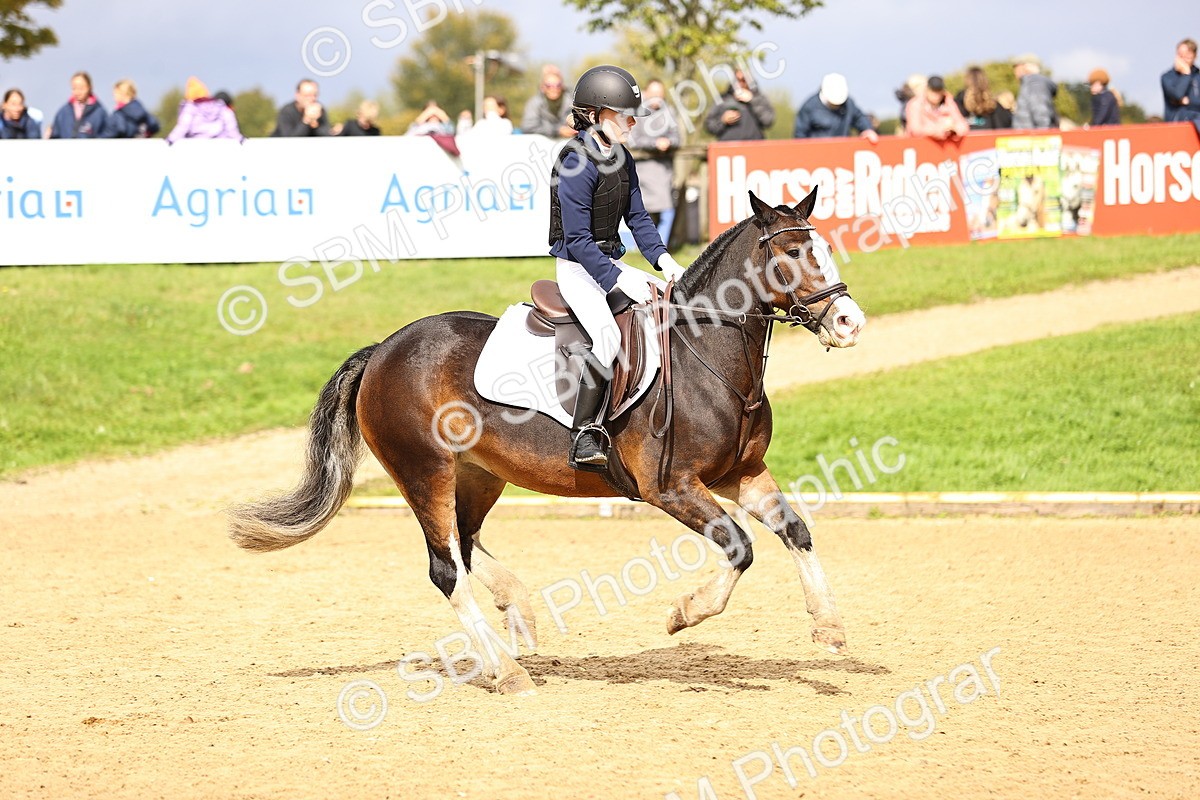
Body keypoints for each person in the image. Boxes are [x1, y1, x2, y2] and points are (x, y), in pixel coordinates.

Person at [548, 65, 686, 471]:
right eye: (623, 114)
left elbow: (640, 220)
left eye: (633, 114)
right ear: (594, 115)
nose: (632, 121)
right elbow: (577, 242)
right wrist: (618, 278)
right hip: (577, 269)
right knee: (608, 337)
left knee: (669, 305)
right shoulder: (575, 162)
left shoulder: (622, 157)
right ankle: (585, 433)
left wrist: (665, 262)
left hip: (608, 262)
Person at [624, 78, 680, 248]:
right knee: (641, 210)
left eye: (660, 95)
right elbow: (633, 139)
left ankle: (660, 245)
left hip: (664, 169)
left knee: (667, 208)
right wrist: (655, 143)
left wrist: (668, 142)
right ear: (646, 94)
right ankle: (640, 246)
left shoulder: (669, 112)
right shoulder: (636, 113)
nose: (657, 98)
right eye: (654, 94)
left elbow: (677, 137)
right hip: (642, 169)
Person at [792, 73, 878, 142]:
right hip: (817, 157)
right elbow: (800, 135)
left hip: (843, 153)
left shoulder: (849, 104)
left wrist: (867, 129)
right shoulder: (809, 107)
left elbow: (859, 118)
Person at [165, 77, 243, 142]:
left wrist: (170, 140)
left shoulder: (190, 108)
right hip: (219, 146)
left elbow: (183, 126)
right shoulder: (221, 107)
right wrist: (240, 139)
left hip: (196, 146)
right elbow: (231, 127)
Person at [705, 69, 774, 141]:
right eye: (737, 80)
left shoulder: (759, 98)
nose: (740, 83)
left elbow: (768, 121)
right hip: (728, 149)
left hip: (754, 148)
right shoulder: (723, 99)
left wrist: (752, 100)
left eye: (744, 80)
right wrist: (722, 120)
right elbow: (709, 126)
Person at [906, 75, 969, 140]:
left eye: (939, 90)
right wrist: (941, 130)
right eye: (933, 90)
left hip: (946, 147)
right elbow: (915, 129)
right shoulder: (916, 104)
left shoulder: (949, 102)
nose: (936, 94)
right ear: (927, 90)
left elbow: (962, 124)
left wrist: (954, 130)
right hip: (920, 146)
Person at [49, 71, 107, 139]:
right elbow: (55, 136)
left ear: (90, 87)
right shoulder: (63, 112)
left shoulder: (99, 113)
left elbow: (105, 136)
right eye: (74, 88)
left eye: (81, 88)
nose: (77, 92)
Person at [522, 65, 574, 138]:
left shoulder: (572, 103)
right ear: (542, 87)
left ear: (562, 86)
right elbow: (528, 128)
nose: (554, 88)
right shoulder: (534, 104)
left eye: (557, 85)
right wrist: (557, 131)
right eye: (549, 85)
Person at [1161, 38, 1200, 130]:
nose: (1183, 57)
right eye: (1180, 54)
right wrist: (1186, 74)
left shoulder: (1198, 76)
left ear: (1194, 56)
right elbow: (1177, 95)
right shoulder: (1167, 77)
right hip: (1177, 125)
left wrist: (1189, 102)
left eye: (1187, 54)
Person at [1011, 54, 1058, 129]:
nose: (1015, 71)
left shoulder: (1035, 82)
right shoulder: (1031, 83)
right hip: (1031, 137)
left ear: (1027, 66)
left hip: (1033, 138)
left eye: (1016, 66)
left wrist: (1044, 137)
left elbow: (1041, 112)